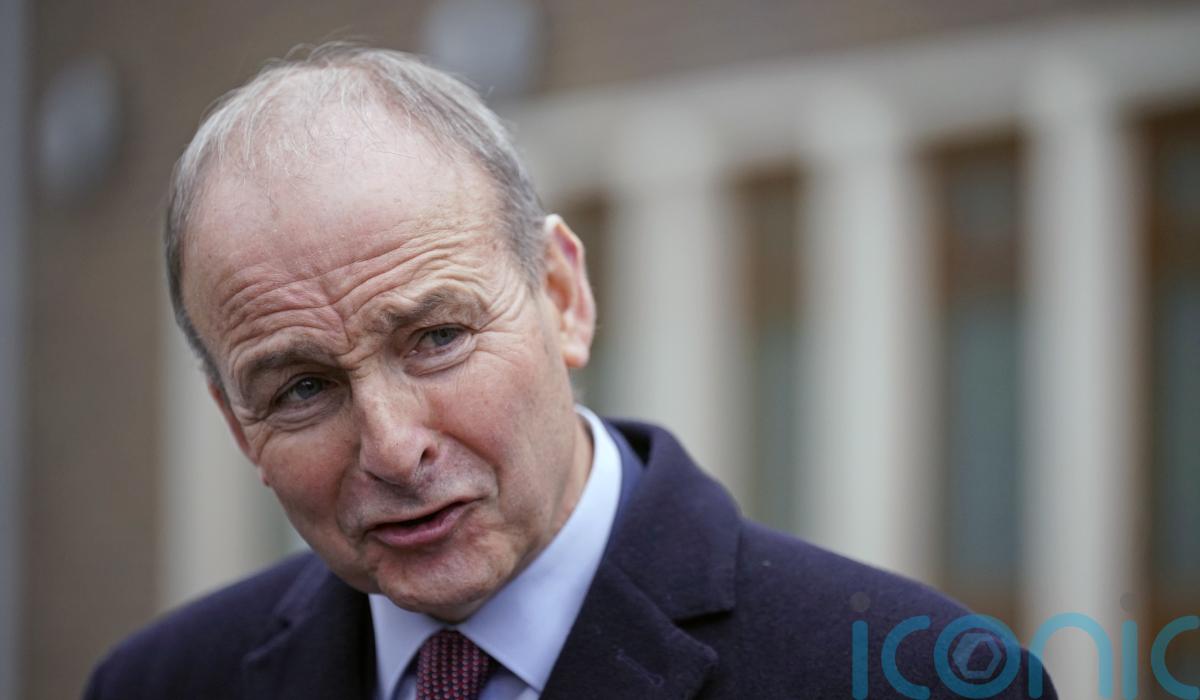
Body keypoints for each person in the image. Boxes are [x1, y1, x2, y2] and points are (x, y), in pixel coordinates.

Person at [85, 44, 1055, 700]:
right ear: (236, 424)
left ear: (562, 298)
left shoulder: (909, 677)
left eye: (436, 338)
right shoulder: (160, 685)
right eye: (302, 389)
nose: (392, 445)